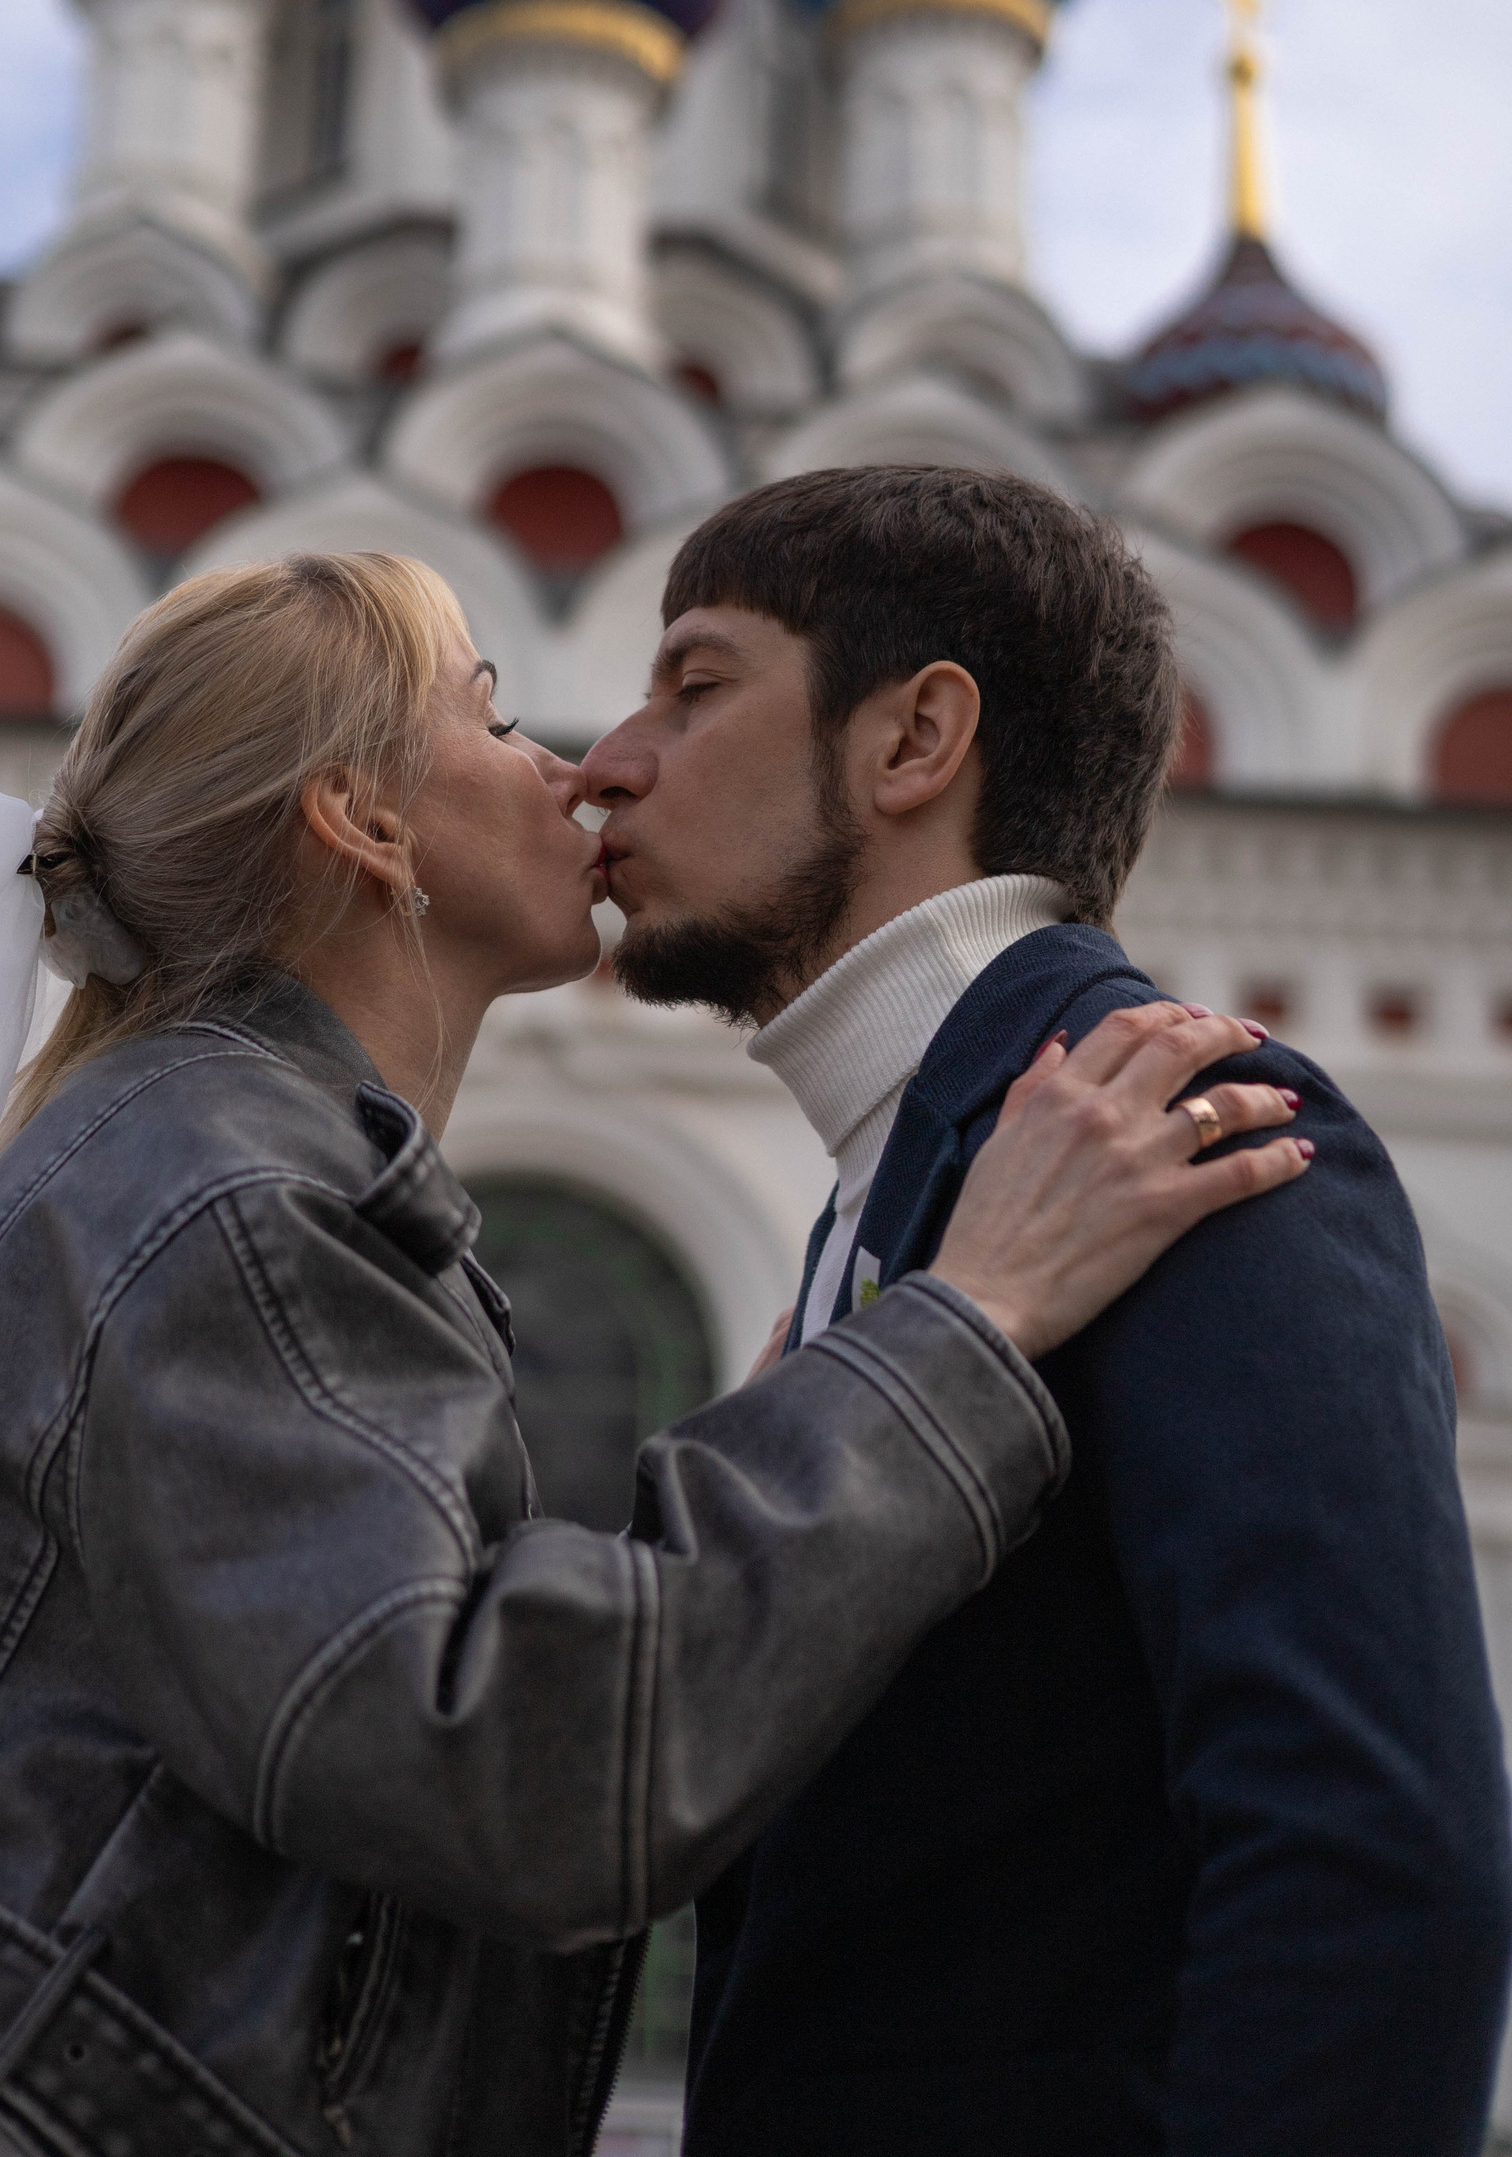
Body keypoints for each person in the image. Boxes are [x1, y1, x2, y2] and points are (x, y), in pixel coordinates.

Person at [0, 551, 1296, 2157]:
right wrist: (967, 1328)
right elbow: (485, 1762)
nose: (581, 770)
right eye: (495, 717)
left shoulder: (206, 1153)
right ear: (365, 819)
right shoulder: (231, 1191)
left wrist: (802, 1430)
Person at [584, 464, 1512, 2157]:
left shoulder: (1179, 1130)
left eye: (696, 686)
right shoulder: (907, 1183)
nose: (608, 763)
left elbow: (1368, 1858)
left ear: (915, 739)